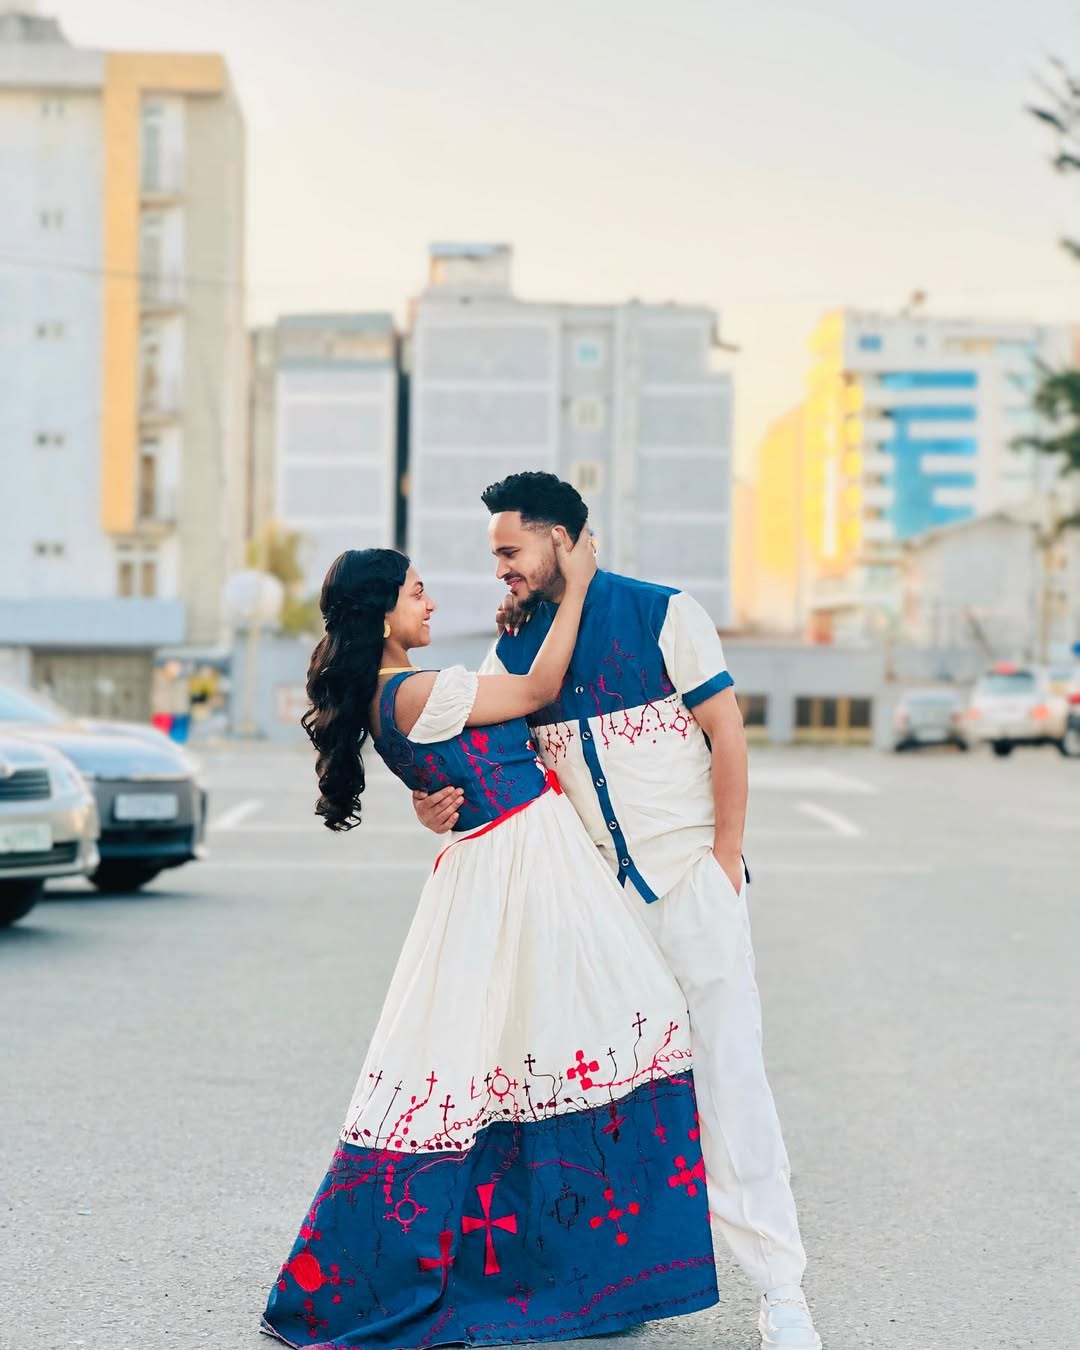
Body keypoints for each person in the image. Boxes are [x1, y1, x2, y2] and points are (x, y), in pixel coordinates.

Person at [262, 536, 721, 1349]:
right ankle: (574, 1268)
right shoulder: (414, 689)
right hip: (520, 869)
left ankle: (577, 1266)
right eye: (416, 591)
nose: (430, 602)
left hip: (508, 861)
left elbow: (457, 758)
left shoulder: (399, 690)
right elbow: (541, 686)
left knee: (528, 1054)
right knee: (605, 1028)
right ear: (381, 612)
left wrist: (432, 803)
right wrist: (575, 587)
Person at [413, 472, 822, 1350]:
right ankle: (615, 1285)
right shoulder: (517, 653)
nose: (500, 572)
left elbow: (728, 734)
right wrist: (432, 804)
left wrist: (723, 864)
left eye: (510, 552)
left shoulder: (664, 612)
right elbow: (478, 759)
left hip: (690, 888)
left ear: (562, 538)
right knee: (608, 1098)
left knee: (730, 1081)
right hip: (595, 912)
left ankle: (782, 1291)